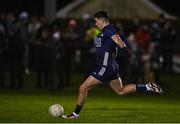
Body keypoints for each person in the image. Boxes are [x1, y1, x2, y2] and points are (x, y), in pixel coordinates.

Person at [62, 10, 162, 119]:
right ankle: (148, 87)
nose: (95, 24)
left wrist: (125, 49)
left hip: (104, 67)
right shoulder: (103, 31)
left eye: (96, 21)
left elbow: (117, 39)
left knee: (83, 88)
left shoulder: (109, 29)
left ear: (101, 20)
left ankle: (75, 114)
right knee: (120, 91)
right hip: (110, 66)